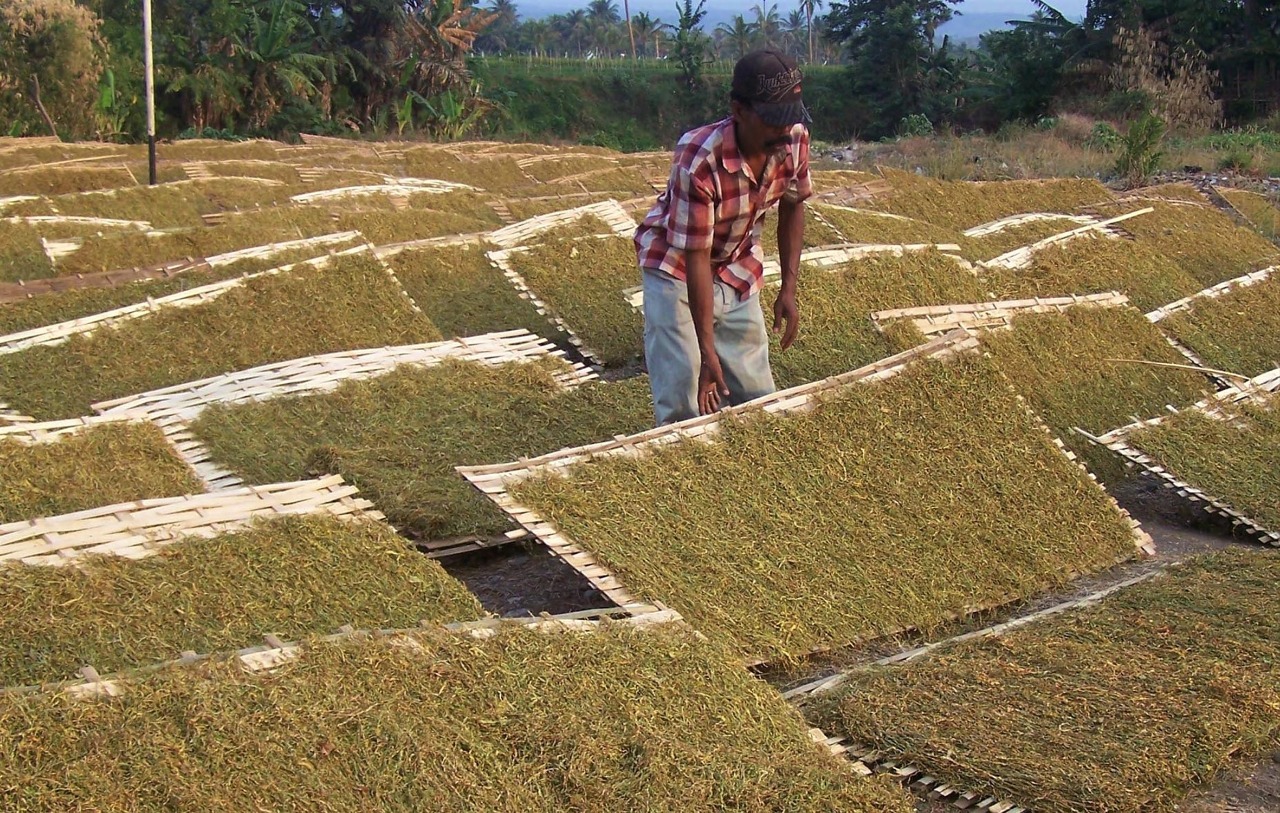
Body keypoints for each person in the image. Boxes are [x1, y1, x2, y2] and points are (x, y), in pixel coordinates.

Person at [634, 48, 813, 426]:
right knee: (684, 393)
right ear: (739, 110)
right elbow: (695, 257)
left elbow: (794, 205)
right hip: (677, 266)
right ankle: (681, 455)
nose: (784, 131)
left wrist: (788, 290)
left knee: (757, 394)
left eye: (789, 120)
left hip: (737, 263)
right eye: (772, 121)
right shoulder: (699, 158)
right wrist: (706, 350)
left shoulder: (793, 139)